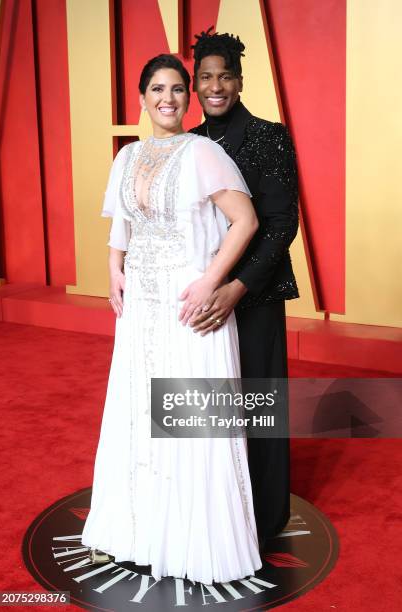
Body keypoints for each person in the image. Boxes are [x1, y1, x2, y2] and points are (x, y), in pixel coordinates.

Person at [81, 54, 263, 585]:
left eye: (178, 89)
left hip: (188, 305)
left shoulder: (204, 152)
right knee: (138, 412)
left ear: (188, 99)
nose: (168, 97)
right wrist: (114, 267)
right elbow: (122, 228)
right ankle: (137, 533)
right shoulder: (127, 158)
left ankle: (193, 544)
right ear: (142, 98)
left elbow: (246, 220)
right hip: (140, 307)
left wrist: (211, 281)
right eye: (158, 88)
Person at [189, 29, 299, 544]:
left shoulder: (268, 135)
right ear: (195, 84)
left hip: (253, 293)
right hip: (202, 296)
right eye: (206, 77)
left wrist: (236, 287)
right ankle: (217, 508)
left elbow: (280, 223)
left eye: (225, 76)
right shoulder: (186, 142)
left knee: (258, 401)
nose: (216, 86)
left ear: (239, 80)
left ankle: (266, 516)